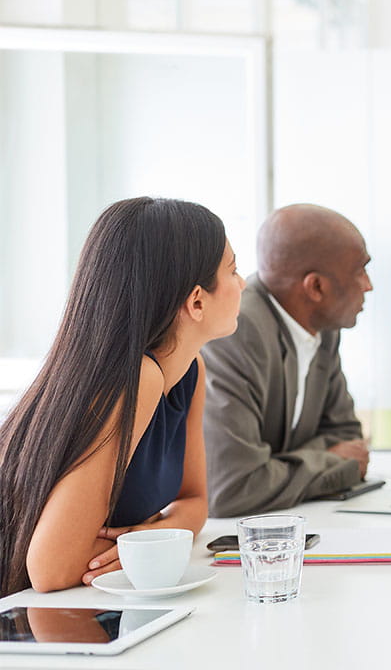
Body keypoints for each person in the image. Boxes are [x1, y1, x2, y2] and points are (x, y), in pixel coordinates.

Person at [0, 198, 243, 595]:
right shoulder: (138, 379)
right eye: (233, 270)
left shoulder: (189, 372)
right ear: (196, 301)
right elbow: (51, 569)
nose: (243, 284)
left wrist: (156, 535)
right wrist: (143, 542)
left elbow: (196, 502)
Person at [201, 204, 372, 518]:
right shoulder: (237, 332)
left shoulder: (323, 327)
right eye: (360, 270)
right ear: (315, 287)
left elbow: (348, 437)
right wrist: (330, 460)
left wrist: (277, 467)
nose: (368, 285)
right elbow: (231, 487)